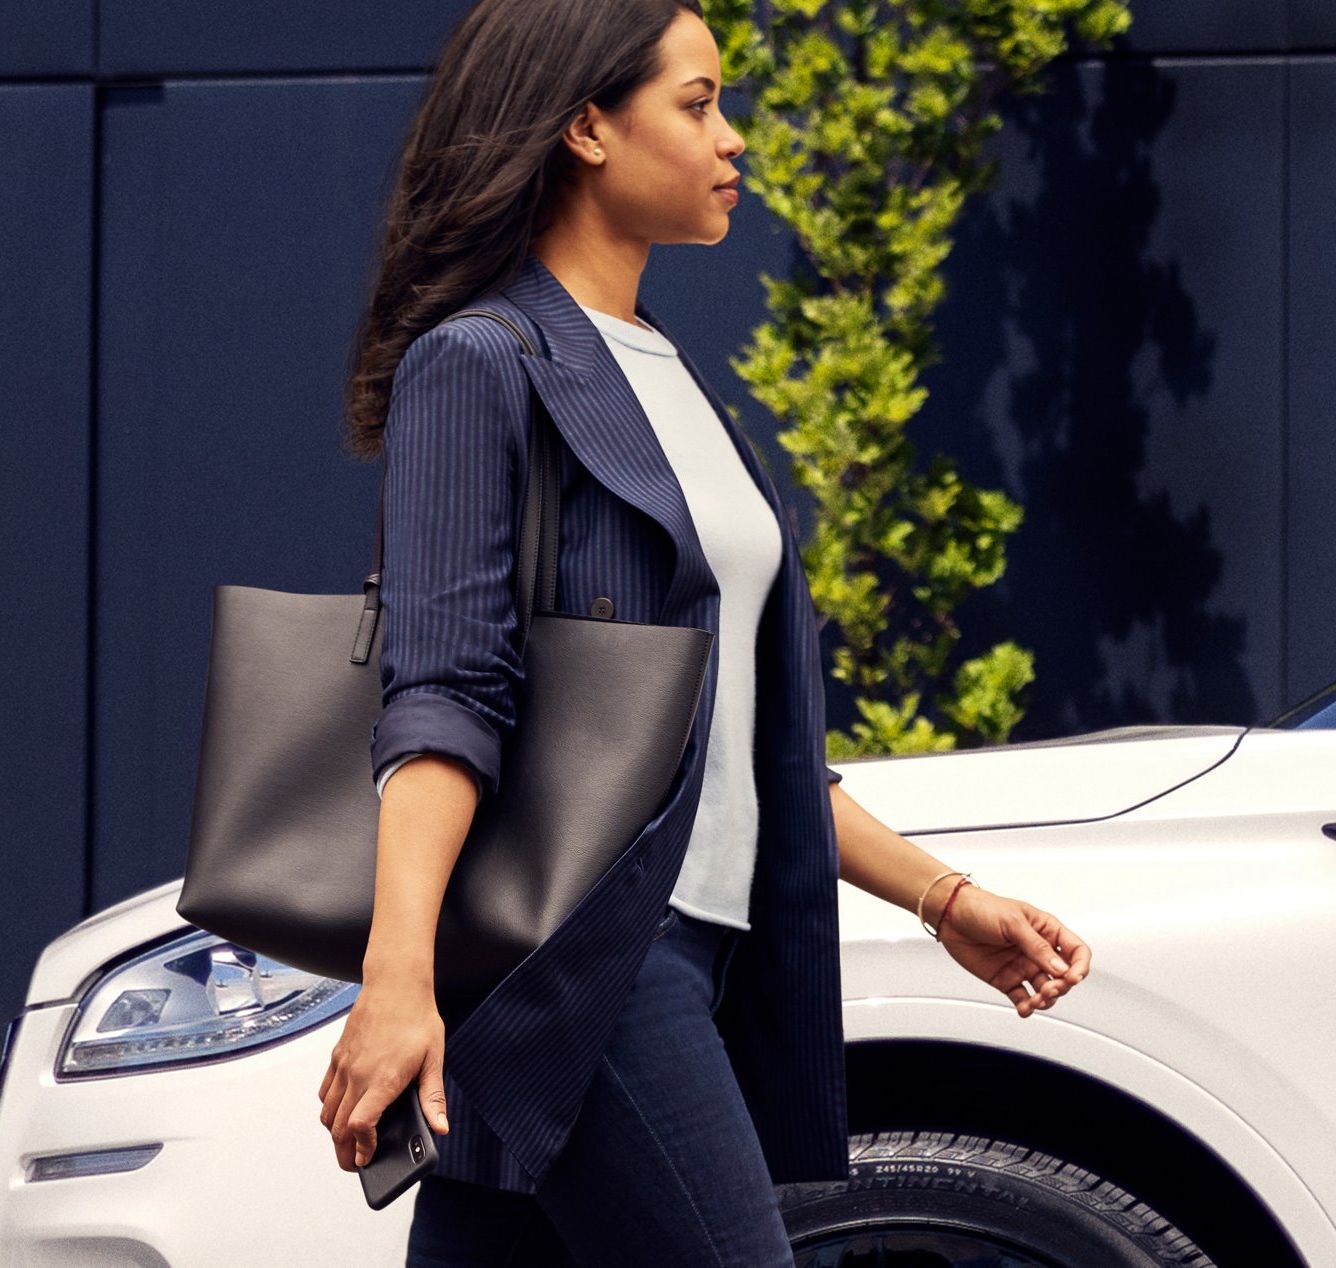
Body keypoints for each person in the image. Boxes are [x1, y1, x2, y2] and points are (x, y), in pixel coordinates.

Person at [314, 1, 1094, 1262]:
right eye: (697, 103)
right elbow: (445, 690)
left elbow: (727, 747)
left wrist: (943, 898)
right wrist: (396, 973)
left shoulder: (660, 371)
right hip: (594, 953)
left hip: (703, 943)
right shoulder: (481, 361)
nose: (732, 137)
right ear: (583, 127)